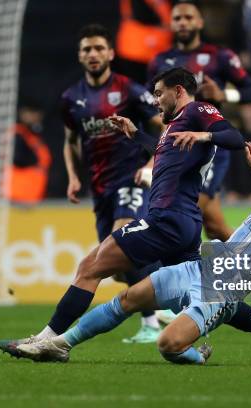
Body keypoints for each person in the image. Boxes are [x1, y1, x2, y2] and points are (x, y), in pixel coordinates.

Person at [15, 143, 251, 365]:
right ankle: (60, 345)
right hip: (199, 269)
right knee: (128, 298)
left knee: (168, 345)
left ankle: (200, 354)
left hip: (220, 295)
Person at [0, 67, 246, 357]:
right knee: (194, 295)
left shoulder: (197, 109)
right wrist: (135, 134)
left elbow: (234, 138)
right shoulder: (174, 125)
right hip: (184, 222)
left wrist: (202, 135)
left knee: (91, 267)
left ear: (178, 91)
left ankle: (46, 340)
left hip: (167, 218)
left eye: (159, 93)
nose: (155, 100)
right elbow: (162, 152)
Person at [60, 24, 164, 343]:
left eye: (99, 48)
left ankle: (152, 320)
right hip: (100, 186)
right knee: (117, 266)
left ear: (111, 53)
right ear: (80, 56)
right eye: (87, 49)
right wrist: (74, 176)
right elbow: (70, 140)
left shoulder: (130, 90)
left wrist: (149, 163)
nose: (93, 54)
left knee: (122, 241)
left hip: (131, 177)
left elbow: (163, 126)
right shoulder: (71, 98)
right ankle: (166, 289)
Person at [147, 0, 251, 242]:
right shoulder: (159, 62)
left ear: (199, 22)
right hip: (176, 146)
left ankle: (180, 273)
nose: (183, 22)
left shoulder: (219, 56)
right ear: (171, 23)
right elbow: (150, 102)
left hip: (209, 146)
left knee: (185, 209)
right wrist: (158, 121)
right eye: (178, 18)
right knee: (215, 226)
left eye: (188, 17)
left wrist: (223, 95)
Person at [1, 105, 52, 204]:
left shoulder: (33, 135)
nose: (35, 117)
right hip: (17, 195)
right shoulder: (18, 134)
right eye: (31, 113)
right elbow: (18, 159)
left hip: (33, 196)